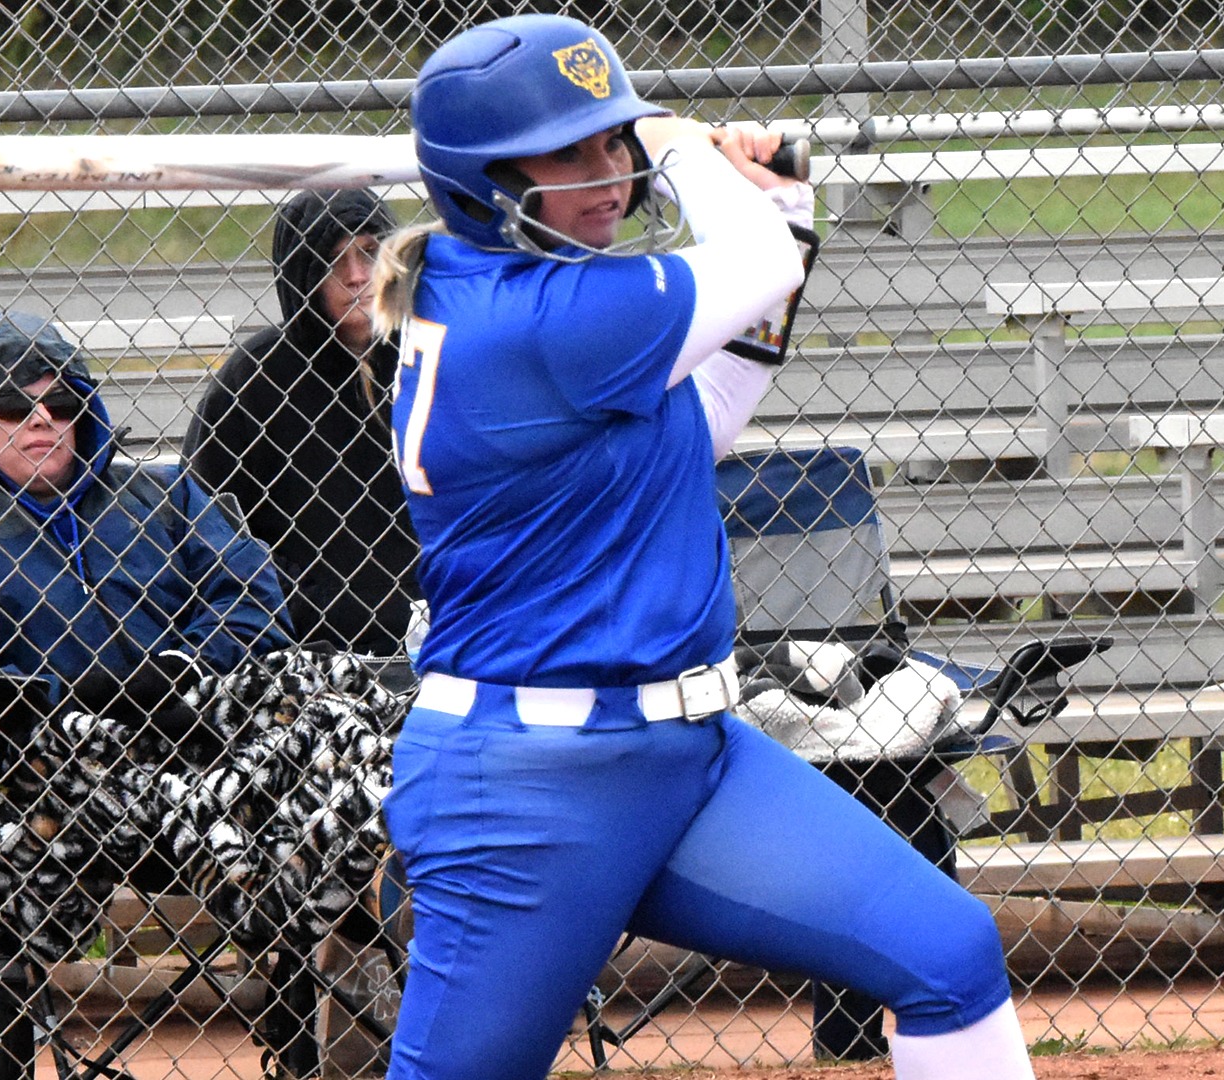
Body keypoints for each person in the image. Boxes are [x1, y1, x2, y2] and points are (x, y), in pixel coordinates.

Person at [370, 14, 1035, 1080]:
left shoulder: (513, 291)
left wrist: (778, 202)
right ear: (480, 182)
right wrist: (682, 142)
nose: (607, 173)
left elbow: (707, 414)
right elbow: (753, 263)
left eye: (614, 143)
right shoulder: (542, 322)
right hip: (532, 788)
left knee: (949, 951)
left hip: (692, 759)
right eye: (568, 150)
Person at [0, 308, 293, 960]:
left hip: (189, 750)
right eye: (13, 405)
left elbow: (253, 596)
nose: (43, 420)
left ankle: (308, 1015)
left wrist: (181, 666)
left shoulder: (166, 496)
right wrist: (57, 703)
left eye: (62, 402)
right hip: (45, 774)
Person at [183, 189, 421, 658]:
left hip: (443, 629)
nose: (356, 276)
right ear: (302, 276)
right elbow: (203, 518)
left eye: (370, 253)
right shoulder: (257, 378)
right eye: (332, 261)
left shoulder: (430, 356)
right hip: (305, 648)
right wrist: (296, 594)